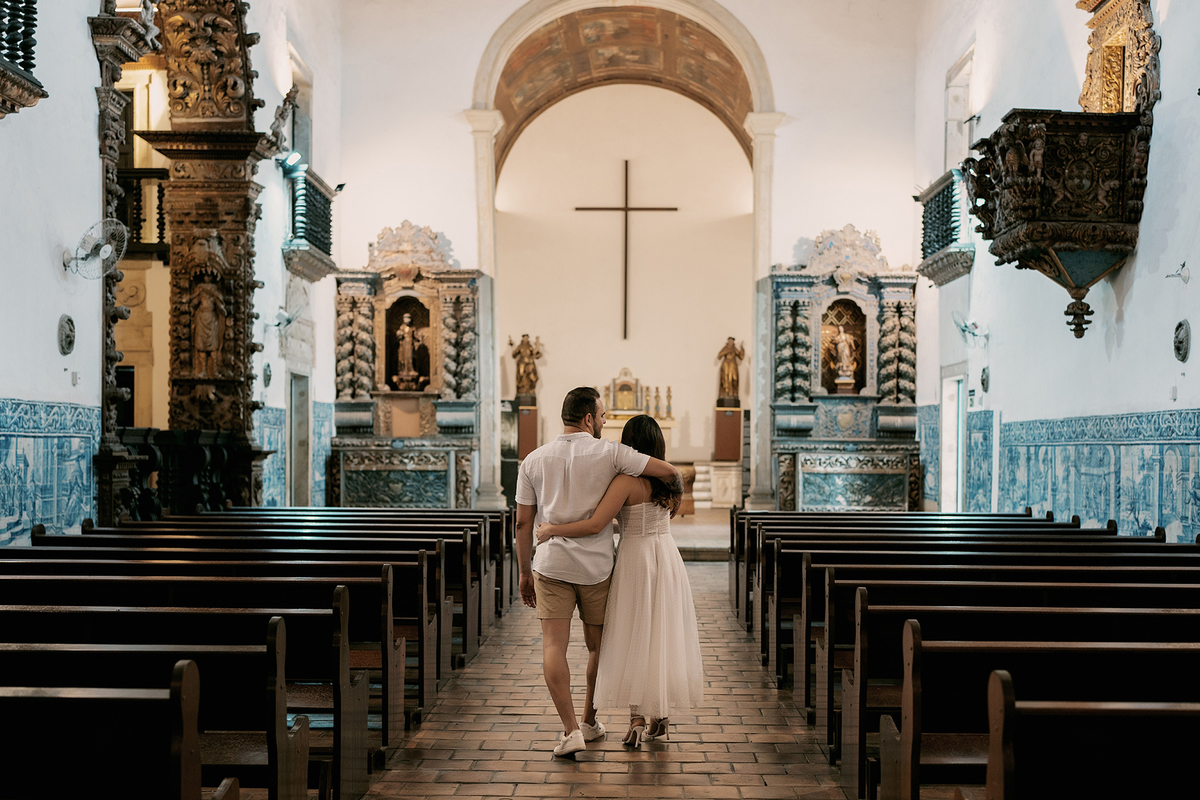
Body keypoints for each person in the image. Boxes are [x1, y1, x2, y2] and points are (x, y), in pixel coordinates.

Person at [516, 387, 683, 757]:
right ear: (589, 418)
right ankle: (592, 721)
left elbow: (522, 523)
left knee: (553, 645)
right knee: (598, 648)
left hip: (552, 564)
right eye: (604, 417)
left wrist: (524, 572)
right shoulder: (612, 453)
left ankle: (571, 729)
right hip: (597, 568)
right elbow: (669, 472)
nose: (606, 423)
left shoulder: (532, 460)